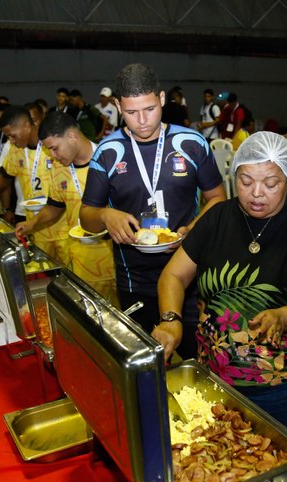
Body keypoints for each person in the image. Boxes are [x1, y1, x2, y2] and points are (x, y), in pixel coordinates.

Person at [151, 132, 287, 434]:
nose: (256, 193)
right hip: (213, 371)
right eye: (246, 181)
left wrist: (284, 315)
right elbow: (173, 274)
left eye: (270, 183)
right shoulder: (217, 219)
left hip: (278, 382)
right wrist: (170, 319)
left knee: (273, 456)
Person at [80, 62, 227, 361]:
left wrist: (194, 227)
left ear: (161, 99)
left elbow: (218, 198)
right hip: (135, 277)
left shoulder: (192, 143)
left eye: (149, 109)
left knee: (195, 360)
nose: (142, 121)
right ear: (119, 106)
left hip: (189, 272)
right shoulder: (107, 152)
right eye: (132, 113)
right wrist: (107, 216)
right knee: (144, 364)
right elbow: (87, 216)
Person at [15, 112, 118, 304]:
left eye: (54, 148)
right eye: (48, 151)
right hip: (84, 263)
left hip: (119, 259)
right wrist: (32, 223)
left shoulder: (110, 157)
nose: (53, 156)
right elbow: (55, 206)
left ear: (72, 136)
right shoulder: (58, 168)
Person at [0, 105, 69, 266]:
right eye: (9, 137)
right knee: (44, 271)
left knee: (69, 276)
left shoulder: (52, 146)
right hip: (36, 226)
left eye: (13, 136)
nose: (12, 141)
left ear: (27, 126)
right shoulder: (16, 150)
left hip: (64, 226)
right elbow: (5, 178)